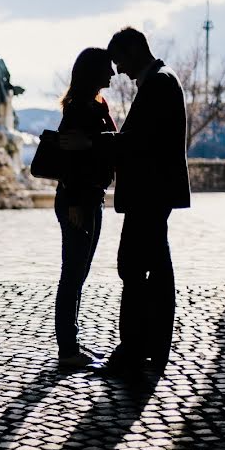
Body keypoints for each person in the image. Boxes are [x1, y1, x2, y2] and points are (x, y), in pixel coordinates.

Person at [61, 27, 190, 377]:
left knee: (133, 268)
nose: (119, 70)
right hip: (153, 193)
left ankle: (133, 349)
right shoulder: (163, 80)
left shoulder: (159, 83)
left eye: (120, 61)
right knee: (152, 268)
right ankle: (150, 346)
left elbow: (138, 141)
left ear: (135, 51)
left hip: (149, 193)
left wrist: (92, 142)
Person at [53, 48, 117, 368]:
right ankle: (67, 349)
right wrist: (76, 202)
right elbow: (71, 160)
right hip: (78, 200)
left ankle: (72, 344)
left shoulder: (96, 104)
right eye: (107, 68)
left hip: (91, 197)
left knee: (79, 272)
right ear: (92, 71)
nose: (113, 74)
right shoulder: (80, 108)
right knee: (73, 274)